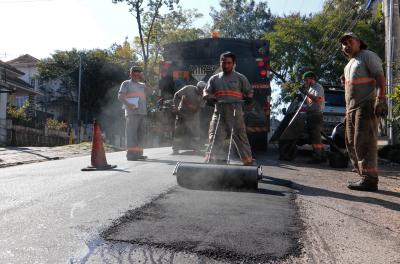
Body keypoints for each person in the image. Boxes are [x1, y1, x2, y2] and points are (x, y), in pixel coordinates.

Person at [340, 32, 387, 191]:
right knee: (352, 143)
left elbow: (380, 77)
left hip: (366, 106)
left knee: (365, 142)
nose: (347, 45)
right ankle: (364, 175)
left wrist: (381, 99)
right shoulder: (348, 64)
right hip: (351, 110)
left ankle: (370, 179)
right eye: (344, 43)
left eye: (350, 41)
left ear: (359, 42)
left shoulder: (367, 56)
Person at [203, 51, 254, 165]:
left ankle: (248, 161)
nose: (226, 65)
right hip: (219, 112)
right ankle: (214, 160)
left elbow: (249, 91)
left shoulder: (240, 78)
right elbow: (206, 91)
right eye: (223, 63)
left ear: (234, 64)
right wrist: (207, 97)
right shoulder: (214, 79)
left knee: (240, 137)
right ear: (220, 63)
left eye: (229, 63)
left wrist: (249, 98)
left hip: (235, 111)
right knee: (214, 136)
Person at [118, 66, 152, 161]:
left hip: (142, 112)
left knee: (141, 134)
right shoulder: (126, 83)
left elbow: (151, 92)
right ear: (131, 74)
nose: (136, 74)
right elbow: (120, 96)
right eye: (134, 73)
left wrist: (145, 80)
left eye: (138, 73)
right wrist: (129, 105)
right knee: (131, 134)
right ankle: (131, 154)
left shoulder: (142, 85)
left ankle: (138, 153)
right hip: (131, 113)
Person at [172, 81, 206, 154]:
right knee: (178, 130)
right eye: (200, 90)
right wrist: (175, 106)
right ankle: (175, 149)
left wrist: (189, 104)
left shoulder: (204, 95)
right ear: (197, 88)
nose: (201, 92)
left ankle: (196, 148)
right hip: (182, 112)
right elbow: (177, 95)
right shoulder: (188, 88)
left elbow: (199, 107)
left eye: (202, 91)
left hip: (194, 115)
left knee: (195, 131)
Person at [300, 71, 325, 164]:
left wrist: (306, 93)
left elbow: (318, 99)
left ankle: (317, 157)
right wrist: (302, 94)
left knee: (315, 138)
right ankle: (322, 156)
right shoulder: (310, 89)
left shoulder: (318, 87)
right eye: (304, 80)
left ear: (312, 79)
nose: (305, 82)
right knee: (315, 137)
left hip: (316, 114)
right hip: (310, 114)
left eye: (306, 80)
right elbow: (307, 102)